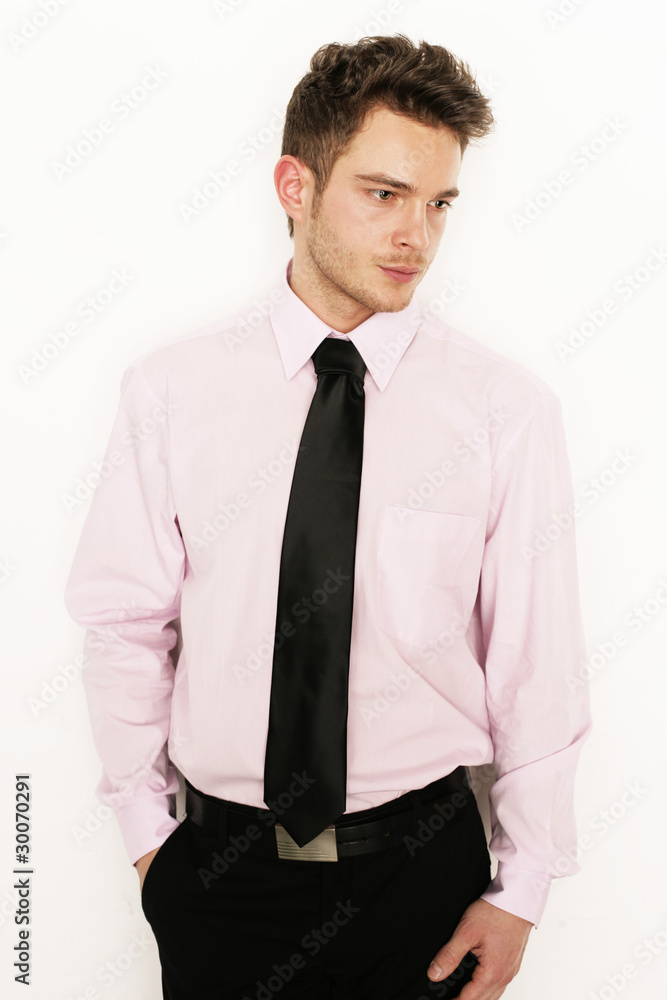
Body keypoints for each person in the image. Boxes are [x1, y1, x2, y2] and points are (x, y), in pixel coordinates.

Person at [64, 33, 591, 1000]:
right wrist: (150, 846)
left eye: (438, 204)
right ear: (294, 187)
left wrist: (521, 890)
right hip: (219, 881)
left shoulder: (503, 412)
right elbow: (125, 625)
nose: (415, 236)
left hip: (421, 884)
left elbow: (535, 668)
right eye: (383, 194)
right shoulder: (172, 392)